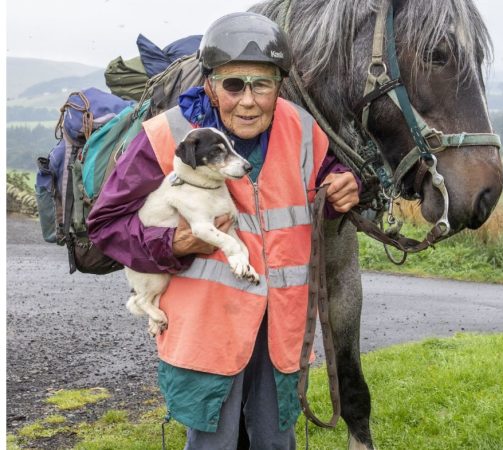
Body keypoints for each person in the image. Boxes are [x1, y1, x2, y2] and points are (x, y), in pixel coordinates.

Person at [88, 12, 360, 448]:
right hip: (208, 332)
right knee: (212, 444)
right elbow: (104, 225)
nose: (248, 101)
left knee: (275, 442)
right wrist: (172, 243)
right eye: (234, 85)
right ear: (211, 84)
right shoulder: (167, 136)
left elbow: (327, 183)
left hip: (281, 329)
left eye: (262, 85)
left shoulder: (304, 131)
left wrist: (347, 184)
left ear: (280, 85)